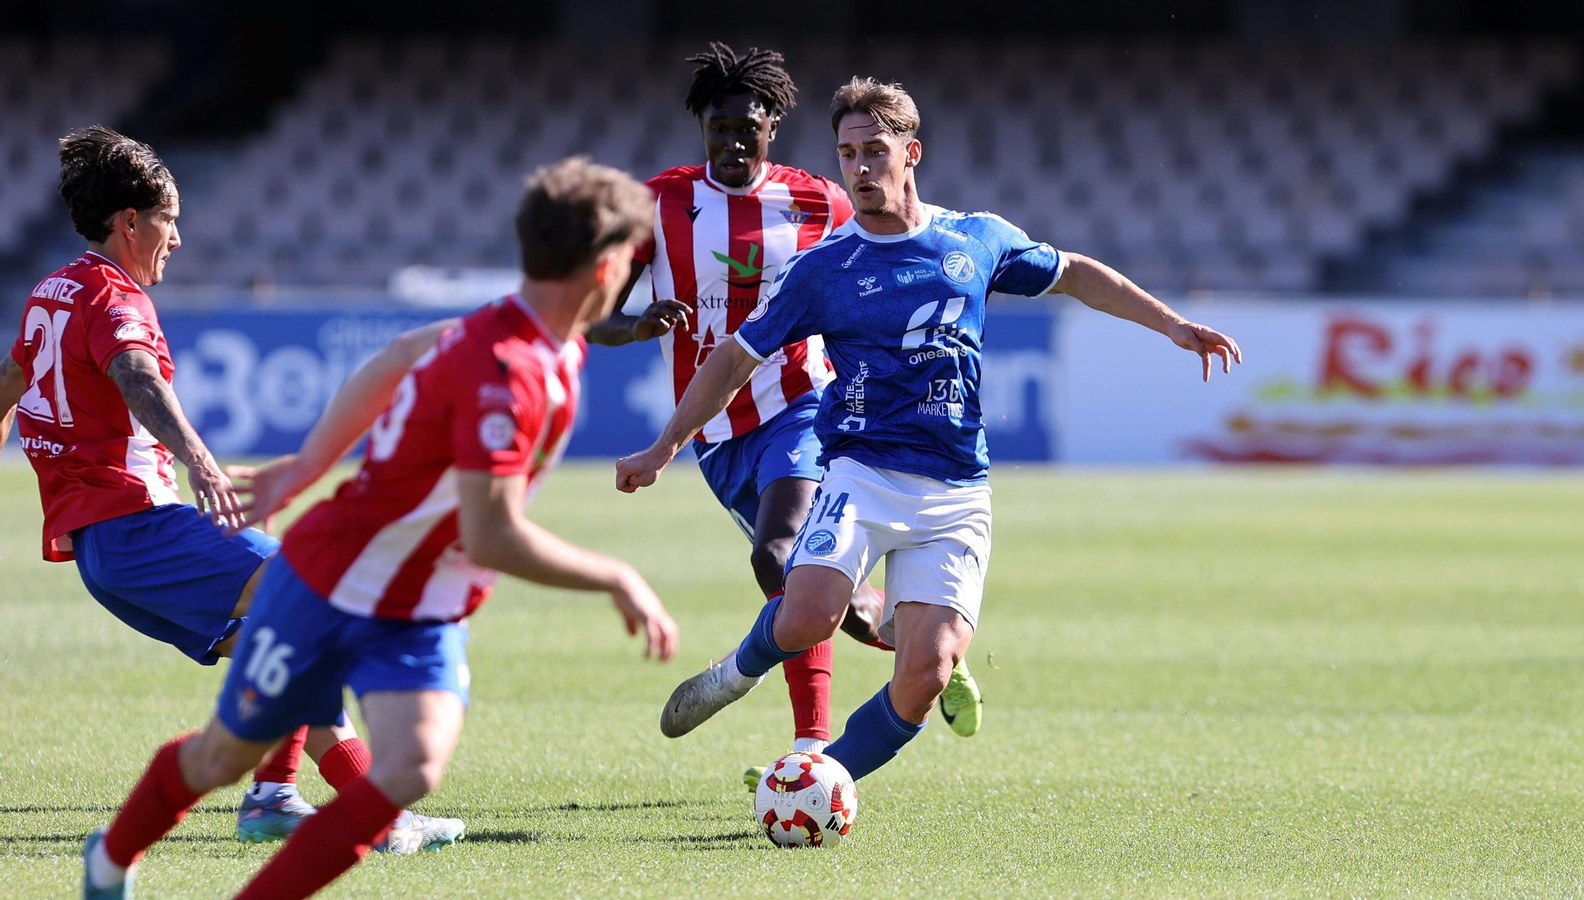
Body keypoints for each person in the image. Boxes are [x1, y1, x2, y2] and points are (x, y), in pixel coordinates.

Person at [81, 156, 678, 900]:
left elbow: (395, 358)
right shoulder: (510, 374)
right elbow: (492, 534)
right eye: (631, 261)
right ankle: (109, 860)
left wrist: (303, 467)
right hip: (330, 581)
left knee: (412, 766)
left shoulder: (522, 332)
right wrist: (615, 575)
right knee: (220, 758)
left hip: (419, 603)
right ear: (603, 269)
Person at [617, 79, 1242, 782]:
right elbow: (734, 355)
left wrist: (1173, 325)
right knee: (806, 612)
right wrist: (664, 445)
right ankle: (731, 676)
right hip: (860, 470)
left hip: (956, 492)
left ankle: (824, 782)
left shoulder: (976, 239)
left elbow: (1073, 275)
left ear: (910, 153)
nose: (858, 168)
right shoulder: (824, 267)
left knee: (928, 673)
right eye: (847, 153)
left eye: (874, 151)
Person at [0, 126, 459, 849]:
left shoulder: (47, 294)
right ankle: (291, 798)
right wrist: (201, 460)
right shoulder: (115, 298)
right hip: (136, 525)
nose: (177, 238)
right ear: (129, 222)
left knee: (289, 646)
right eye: (169, 219)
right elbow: (136, 375)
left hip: (106, 553)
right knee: (312, 588)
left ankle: (319, 803)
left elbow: (10, 380)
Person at [586, 43, 984, 774]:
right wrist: (638, 324)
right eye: (718, 127)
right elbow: (594, 317)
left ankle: (808, 746)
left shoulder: (818, 200)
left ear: (774, 127)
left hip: (803, 406)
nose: (733, 141)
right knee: (798, 581)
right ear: (700, 127)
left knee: (781, 556)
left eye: (749, 127)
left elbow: (890, 243)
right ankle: (921, 643)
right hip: (715, 428)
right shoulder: (659, 203)